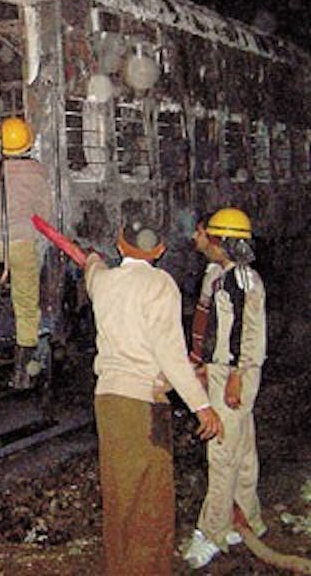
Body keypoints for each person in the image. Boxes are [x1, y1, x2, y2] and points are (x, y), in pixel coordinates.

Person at [85, 215, 222, 576]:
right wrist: (202, 405)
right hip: (143, 403)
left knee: (119, 494)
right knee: (152, 498)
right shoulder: (160, 285)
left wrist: (92, 259)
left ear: (119, 244)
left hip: (108, 400)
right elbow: (171, 354)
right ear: (160, 250)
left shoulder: (104, 283)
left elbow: (92, 271)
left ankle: (121, 567)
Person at [183, 207, 268, 569]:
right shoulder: (215, 273)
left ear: (218, 240)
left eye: (202, 233)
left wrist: (236, 375)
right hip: (218, 369)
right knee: (241, 448)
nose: (195, 238)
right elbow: (211, 325)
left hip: (234, 372)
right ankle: (248, 519)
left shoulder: (244, 281)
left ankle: (211, 533)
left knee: (221, 454)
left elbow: (251, 336)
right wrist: (199, 363)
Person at [0, 116, 54, 389]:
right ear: (28, 144)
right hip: (21, 246)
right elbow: (46, 216)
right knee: (27, 305)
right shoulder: (37, 173)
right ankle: (22, 371)